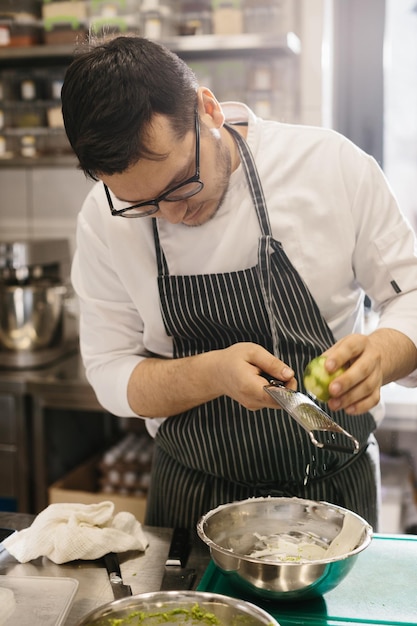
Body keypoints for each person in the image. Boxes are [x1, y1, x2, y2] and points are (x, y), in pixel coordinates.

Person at [61, 35, 417, 531]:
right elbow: (109, 372)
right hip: (193, 497)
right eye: (143, 205)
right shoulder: (102, 218)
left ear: (208, 110)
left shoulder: (330, 165)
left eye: (183, 181)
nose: (174, 213)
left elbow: (412, 297)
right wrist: (212, 374)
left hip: (336, 492)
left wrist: (383, 353)